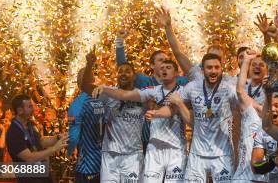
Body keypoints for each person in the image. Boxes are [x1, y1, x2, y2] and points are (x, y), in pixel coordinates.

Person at [94, 59, 188, 183]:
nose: (164, 69)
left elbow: (173, 111)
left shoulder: (185, 91)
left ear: (177, 73)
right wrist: (105, 88)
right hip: (154, 149)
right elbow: (124, 95)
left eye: (168, 67)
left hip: (175, 148)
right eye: (162, 67)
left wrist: (159, 111)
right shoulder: (151, 91)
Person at [180, 53, 239, 182]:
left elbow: (245, 103)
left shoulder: (229, 89)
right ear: (202, 70)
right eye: (209, 67)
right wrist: (156, 112)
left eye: (217, 67)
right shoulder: (191, 87)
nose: (213, 71)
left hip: (222, 154)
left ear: (221, 69)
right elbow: (173, 104)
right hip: (197, 155)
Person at [96, 62, 146, 183]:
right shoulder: (107, 93)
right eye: (120, 71)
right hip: (110, 153)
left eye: (127, 71)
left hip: (133, 155)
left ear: (134, 76)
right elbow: (86, 86)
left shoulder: (142, 95)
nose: (123, 74)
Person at [6, 94, 68, 183]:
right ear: (20, 110)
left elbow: (40, 141)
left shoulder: (30, 124)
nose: (33, 109)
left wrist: (57, 137)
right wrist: (54, 148)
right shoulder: (14, 133)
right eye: (30, 107)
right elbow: (29, 158)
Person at [68, 49, 106, 183]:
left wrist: (68, 152)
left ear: (79, 83)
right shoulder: (104, 98)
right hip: (105, 164)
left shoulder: (77, 104)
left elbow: (73, 136)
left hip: (87, 167)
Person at [232, 49, 268, 182]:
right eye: (254, 64)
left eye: (261, 65)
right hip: (244, 166)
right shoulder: (248, 103)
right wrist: (246, 60)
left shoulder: (274, 93)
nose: (257, 67)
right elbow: (240, 90)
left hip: (264, 164)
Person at [115, 26, 189, 89]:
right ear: (152, 65)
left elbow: (195, 75)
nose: (165, 63)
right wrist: (119, 41)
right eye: (161, 60)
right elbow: (122, 67)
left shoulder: (179, 81)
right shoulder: (143, 81)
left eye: (167, 60)